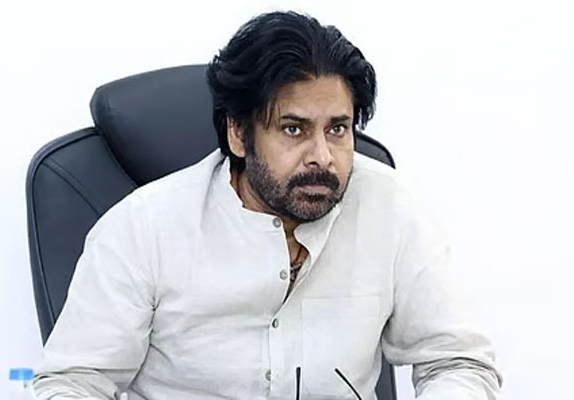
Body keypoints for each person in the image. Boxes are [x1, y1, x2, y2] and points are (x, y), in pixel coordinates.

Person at [33, 10, 502, 400]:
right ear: (239, 133)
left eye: (337, 129)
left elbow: (457, 362)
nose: (323, 156)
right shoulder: (144, 227)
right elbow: (72, 384)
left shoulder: (389, 207)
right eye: (294, 129)